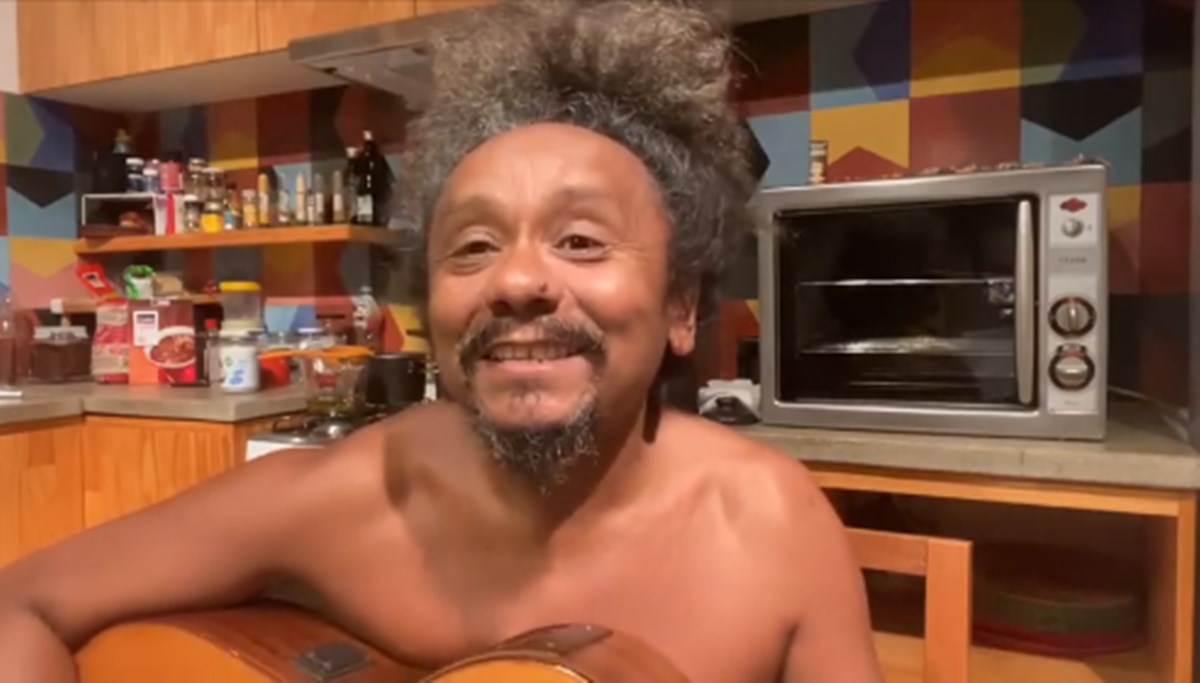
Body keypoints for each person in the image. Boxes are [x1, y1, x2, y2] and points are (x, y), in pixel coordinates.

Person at [0, 1, 883, 681]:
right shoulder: (335, 500)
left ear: (681, 305)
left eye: (581, 239)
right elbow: (19, 605)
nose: (517, 280)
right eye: (473, 245)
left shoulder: (772, 528)